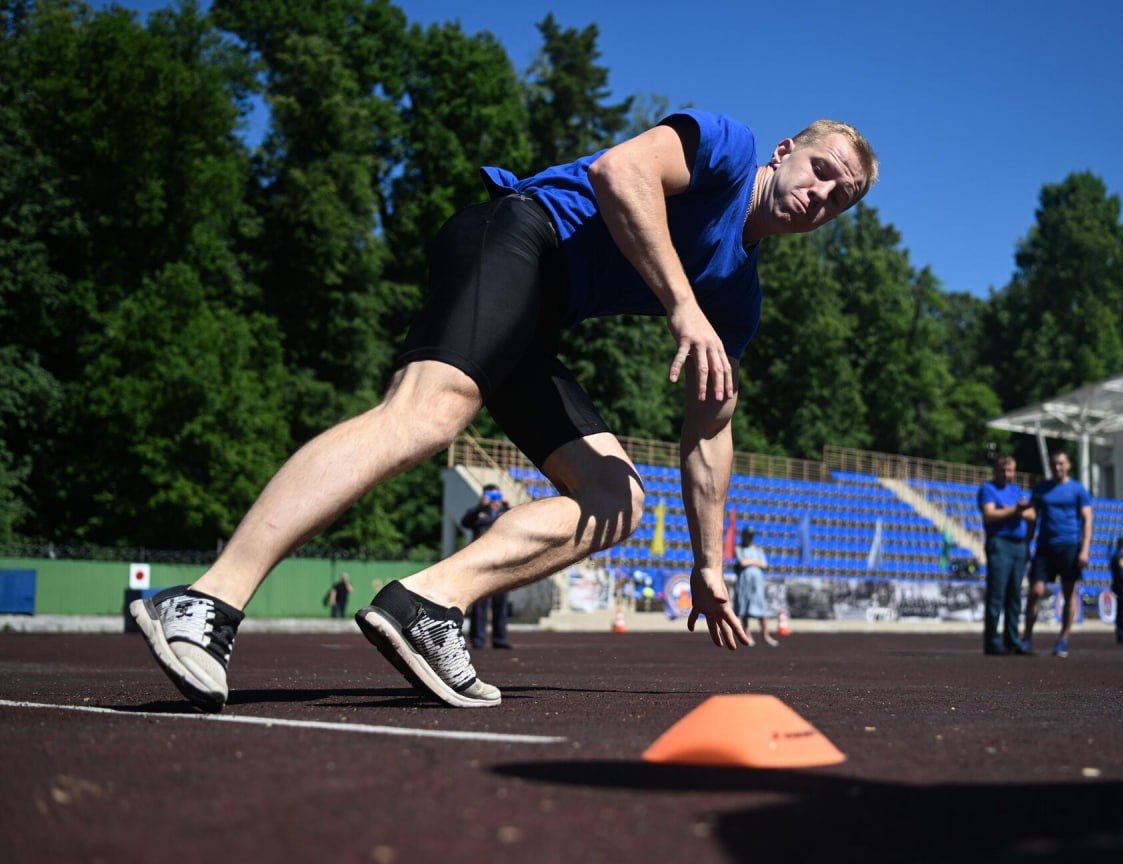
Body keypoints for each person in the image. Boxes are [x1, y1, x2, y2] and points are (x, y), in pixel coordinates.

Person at [128, 109, 879, 710]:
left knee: (617, 496)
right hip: (517, 236)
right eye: (820, 173)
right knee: (428, 415)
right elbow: (619, 171)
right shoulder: (726, 147)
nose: (821, 199)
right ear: (783, 152)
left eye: (840, 200)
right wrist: (683, 306)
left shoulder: (738, 295)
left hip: (540, 318)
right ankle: (204, 601)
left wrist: (709, 564)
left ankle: (429, 603)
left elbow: (709, 431)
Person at [1023, 450, 1093, 659]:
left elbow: (1088, 520)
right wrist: (1027, 543)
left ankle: (1063, 639)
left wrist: (1085, 549)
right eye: (1054, 464)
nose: (1057, 467)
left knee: (1069, 593)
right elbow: (1033, 517)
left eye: (1061, 463)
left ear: (1069, 464)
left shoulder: (1078, 489)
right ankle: (1026, 638)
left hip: (1069, 546)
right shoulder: (1042, 488)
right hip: (1044, 547)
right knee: (1035, 591)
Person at [976, 455, 1034, 655]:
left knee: (1015, 595)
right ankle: (992, 640)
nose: (1007, 474)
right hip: (999, 543)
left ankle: (1012, 639)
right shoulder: (988, 489)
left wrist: (1011, 511)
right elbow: (990, 514)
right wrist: (1015, 511)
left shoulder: (1016, 490)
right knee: (997, 594)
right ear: (996, 470)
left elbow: (1031, 514)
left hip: (1018, 545)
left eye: (1011, 470)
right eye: (1004, 470)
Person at [460, 485, 512, 649]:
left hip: (502, 562)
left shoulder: (507, 513)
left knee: (500, 603)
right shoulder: (477, 513)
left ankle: (500, 639)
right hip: (481, 563)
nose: (495, 500)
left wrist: (507, 506)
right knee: (480, 604)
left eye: (497, 496)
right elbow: (465, 522)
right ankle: (478, 639)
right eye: (491, 496)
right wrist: (481, 506)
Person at [732, 527, 775, 647]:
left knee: (761, 610)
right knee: (744, 610)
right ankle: (747, 635)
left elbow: (764, 564)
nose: (749, 538)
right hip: (744, 584)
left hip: (757, 585)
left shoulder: (757, 549)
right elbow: (742, 562)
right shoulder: (739, 548)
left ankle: (766, 636)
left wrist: (750, 561)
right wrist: (756, 561)